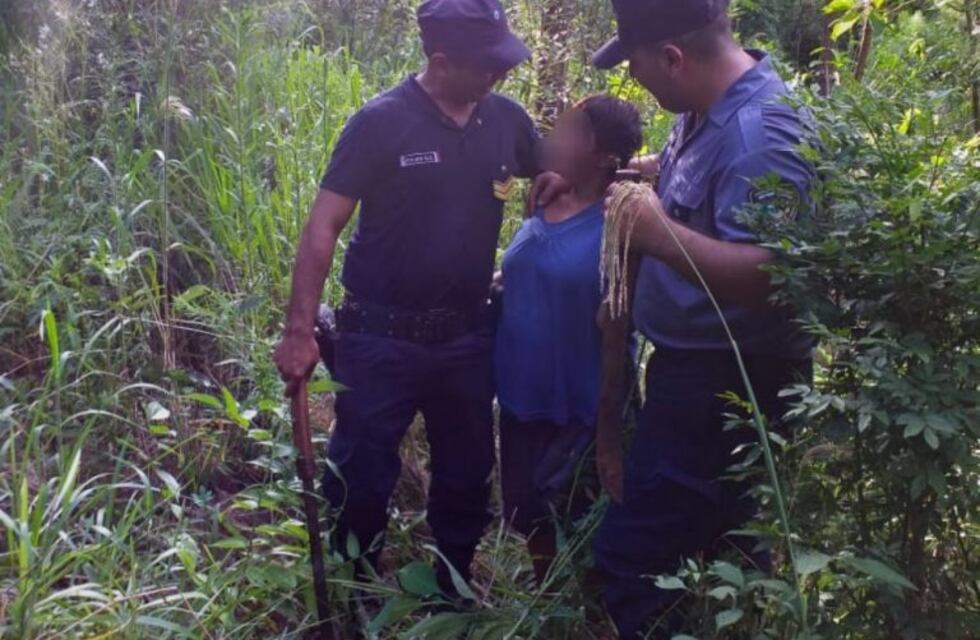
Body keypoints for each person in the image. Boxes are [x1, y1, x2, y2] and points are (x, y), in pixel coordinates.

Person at [537, 0, 816, 636]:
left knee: (635, 562)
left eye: (635, 65)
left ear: (672, 57)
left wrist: (659, 235)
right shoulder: (703, 111)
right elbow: (696, 179)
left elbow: (779, 276)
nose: (633, 81)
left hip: (729, 386)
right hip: (690, 379)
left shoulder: (762, 134)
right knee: (719, 561)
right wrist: (614, 176)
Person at [273, 0, 538, 599]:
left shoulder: (506, 120)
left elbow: (552, 171)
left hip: (468, 336)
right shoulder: (381, 123)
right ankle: (358, 590)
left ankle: (455, 589)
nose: (500, 75)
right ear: (441, 63)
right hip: (379, 337)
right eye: (488, 66)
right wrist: (298, 331)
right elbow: (323, 226)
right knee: (361, 476)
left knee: (467, 474)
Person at [494, 95, 643, 583]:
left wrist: (609, 433)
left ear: (603, 156)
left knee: (579, 519)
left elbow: (617, 330)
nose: (555, 138)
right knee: (526, 511)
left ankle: (586, 607)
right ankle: (546, 593)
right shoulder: (543, 197)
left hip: (579, 405)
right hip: (520, 392)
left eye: (573, 131)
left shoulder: (621, 225)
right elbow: (531, 267)